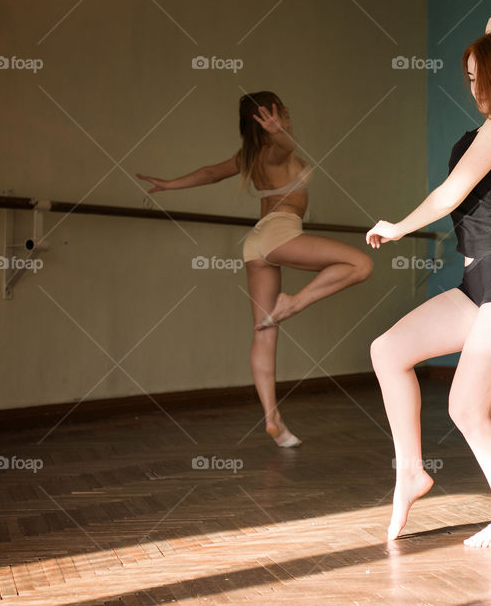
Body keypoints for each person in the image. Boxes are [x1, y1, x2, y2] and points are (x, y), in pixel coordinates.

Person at [366, 13, 491, 547]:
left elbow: (449, 196)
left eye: (481, 77)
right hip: (479, 283)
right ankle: (410, 472)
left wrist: (397, 227)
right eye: (470, 77)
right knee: (387, 351)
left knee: (466, 407)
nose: (474, 87)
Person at [138, 91, 373, 447]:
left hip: (256, 242)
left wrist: (170, 184)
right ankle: (293, 303)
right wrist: (281, 133)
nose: (287, 112)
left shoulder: (247, 156)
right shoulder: (276, 150)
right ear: (272, 114)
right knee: (361, 263)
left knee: (264, 331)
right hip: (281, 232)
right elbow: (286, 145)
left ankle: (272, 419)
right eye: (282, 108)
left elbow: (210, 174)